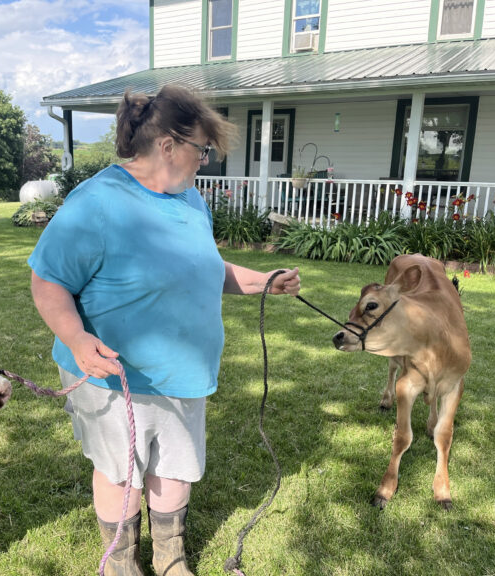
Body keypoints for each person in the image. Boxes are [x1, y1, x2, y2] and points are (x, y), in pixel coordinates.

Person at [27, 84, 300, 576]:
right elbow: (48, 281)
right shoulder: (96, 202)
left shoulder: (191, 200)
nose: (205, 162)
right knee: (120, 473)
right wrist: (74, 338)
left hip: (184, 371)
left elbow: (207, 268)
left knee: (175, 466)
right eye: (202, 150)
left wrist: (264, 281)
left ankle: (171, 558)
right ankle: (121, 563)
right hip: (115, 374)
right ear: (169, 146)